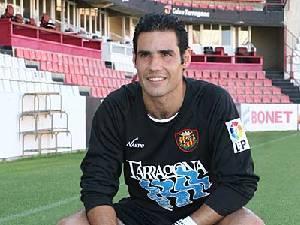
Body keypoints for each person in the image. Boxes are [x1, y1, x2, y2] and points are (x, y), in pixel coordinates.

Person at [58, 13, 264, 225]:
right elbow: (97, 184)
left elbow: (239, 181)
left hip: (202, 215)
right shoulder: (115, 108)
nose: (154, 65)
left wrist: (186, 224)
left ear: (185, 59)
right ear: (134, 60)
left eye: (166, 54)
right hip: (141, 214)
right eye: (145, 55)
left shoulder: (215, 102)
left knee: (249, 223)